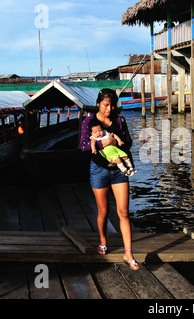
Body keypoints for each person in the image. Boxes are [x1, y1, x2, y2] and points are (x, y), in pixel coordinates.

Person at [80, 88, 139, 270]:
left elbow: (128, 142)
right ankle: (103, 242)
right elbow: (83, 147)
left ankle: (128, 253)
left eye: (112, 105)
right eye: (106, 105)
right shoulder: (89, 121)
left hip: (118, 171)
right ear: (99, 103)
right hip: (98, 170)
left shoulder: (119, 120)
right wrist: (103, 143)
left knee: (123, 213)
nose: (109, 108)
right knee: (103, 212)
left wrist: (116, 141)